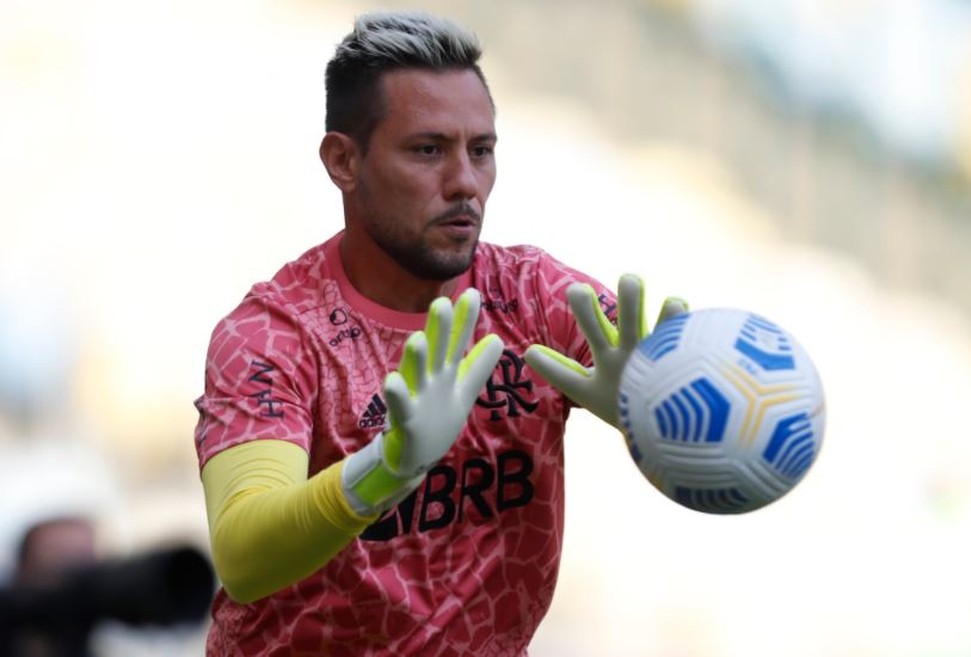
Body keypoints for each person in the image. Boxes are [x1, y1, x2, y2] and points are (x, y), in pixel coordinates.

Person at [193, 10, 684, 656]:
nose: (465, 183)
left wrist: (665, 414)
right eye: (428, 150)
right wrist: (386, 468)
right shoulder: (273, 334)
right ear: (343, 161)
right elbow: (243, 555)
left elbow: (724, 410)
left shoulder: (535, 297)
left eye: (481, 151)